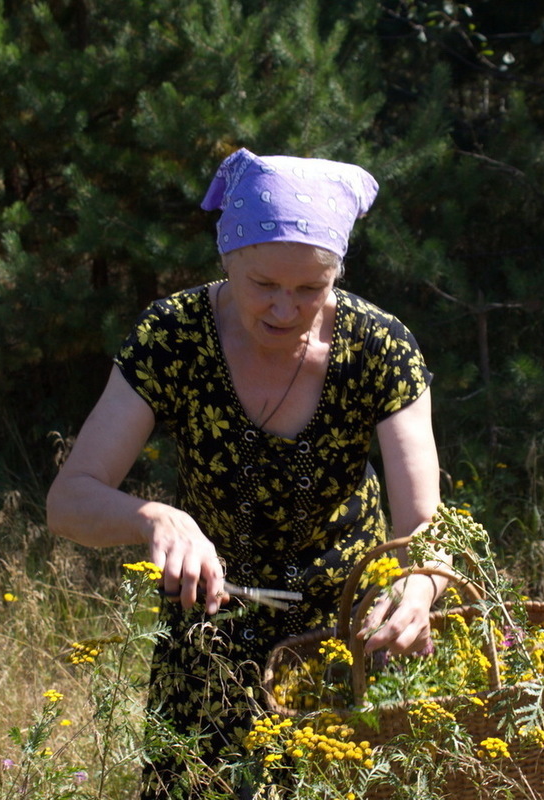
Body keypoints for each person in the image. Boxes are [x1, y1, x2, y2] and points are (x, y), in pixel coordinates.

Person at [46, 147, 443, 798]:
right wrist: (156, 519)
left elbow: (425, 523)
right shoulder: (172, 337)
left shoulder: (379, 345)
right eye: (263, 285)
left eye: (310, 289)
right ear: (228, 262)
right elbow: (69, 502)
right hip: (212, 631)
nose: (285, 309)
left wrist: (417, 591)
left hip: (350, 633)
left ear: (336, 277)